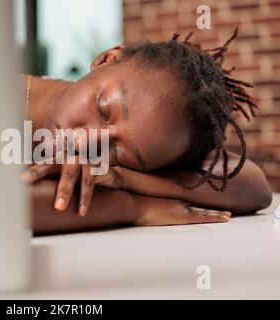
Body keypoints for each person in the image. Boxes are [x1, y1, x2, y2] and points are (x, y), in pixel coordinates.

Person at [20, 29, 272, 235]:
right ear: (107, 59)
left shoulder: (115, 163)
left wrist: (123, 178)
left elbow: (254, 187)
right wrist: (133, 207)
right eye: (103, 109)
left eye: (118, 152)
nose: (91, 140)